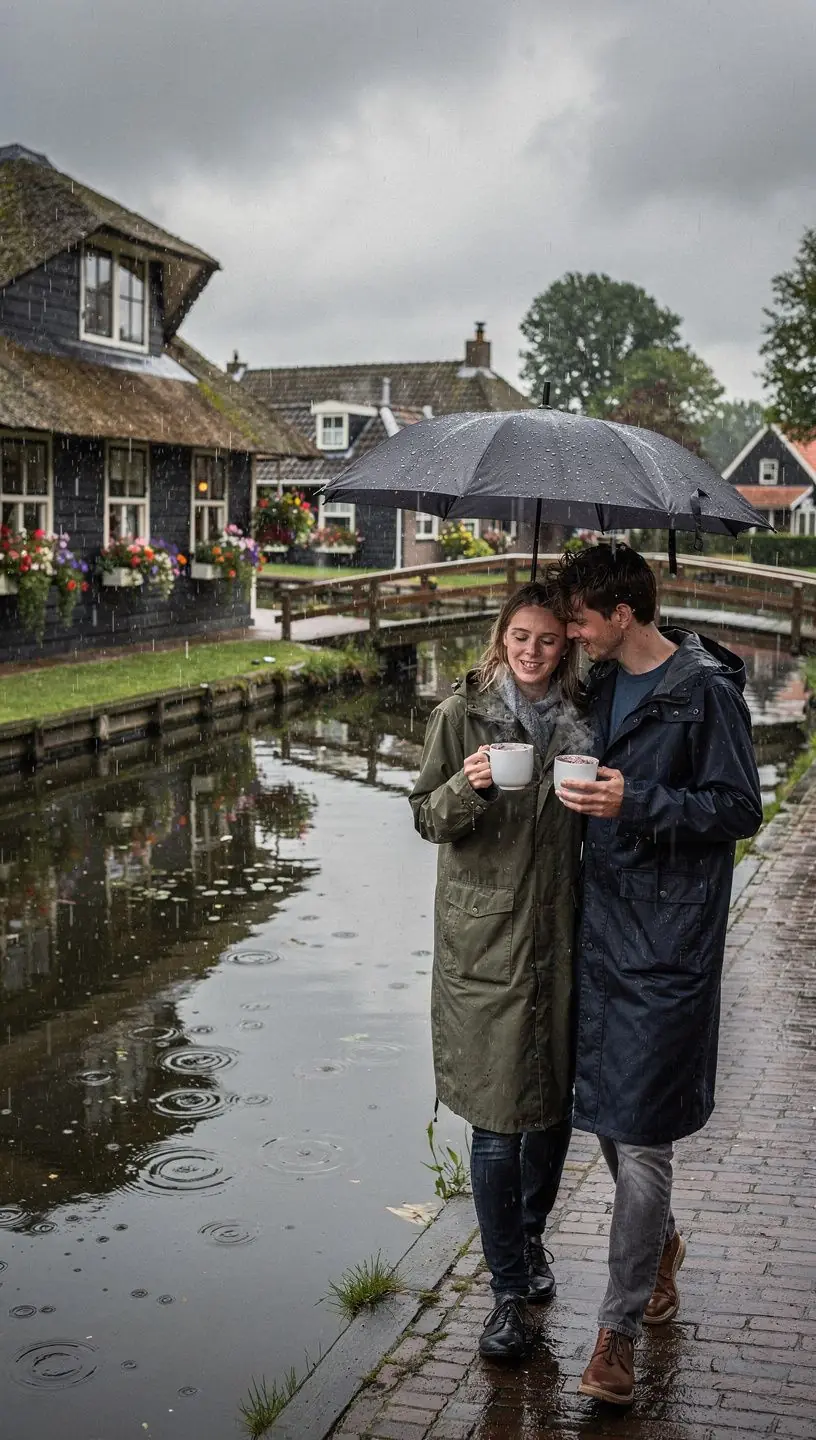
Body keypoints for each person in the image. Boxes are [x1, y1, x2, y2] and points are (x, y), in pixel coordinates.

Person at [553, 543, 762, 1407]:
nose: (573, 632)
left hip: (668, 943)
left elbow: (739, 809)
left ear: (622, 615)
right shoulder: (597, 684)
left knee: (641, 1137)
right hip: (598, 930)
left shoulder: (705, 692)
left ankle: (616, 1335)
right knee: (607, 1117)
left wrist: (635, 800)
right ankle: (661, 1244)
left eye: (580, 619)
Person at [409, 582, 584, 1363]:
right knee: (496, 1122)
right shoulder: (462, 715)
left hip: (565, 936)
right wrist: (469, 785)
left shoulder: (588, 716)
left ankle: (533, 1239)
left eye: (547, 638)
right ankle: (507, 1291)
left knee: (548, 1112)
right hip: (484, 946)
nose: (531, 651)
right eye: (519, 635)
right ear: (500, 635)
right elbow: (425, 817)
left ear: (567, 644)